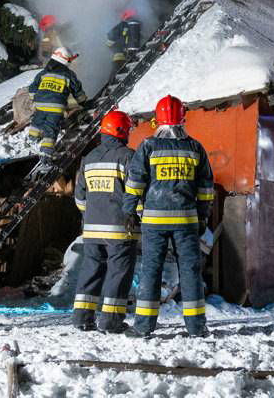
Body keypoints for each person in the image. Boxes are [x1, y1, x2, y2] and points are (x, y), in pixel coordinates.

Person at [123, 95, 214, 338]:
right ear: (182, 119)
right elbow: (206, 187)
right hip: (186, 222)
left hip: (154, 222)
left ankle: (143, 327)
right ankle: (197, 327)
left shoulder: (148, 146)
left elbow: (135, 182)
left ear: (158, 120)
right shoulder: (195, 148)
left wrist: (129, 210)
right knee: (190, 271)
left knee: (151, 271)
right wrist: (203, 216)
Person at [72, 110, 138, 333]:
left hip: (91, 229)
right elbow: (135, 193)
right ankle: (110, 322)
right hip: (119, 228)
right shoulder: (128, 157)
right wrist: (139, 216)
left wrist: (90, 215)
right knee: (118, 273)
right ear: (123, 131)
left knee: (91, 270)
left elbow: (80, 197)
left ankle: (82, 318)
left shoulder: (88, 159)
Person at [28, 47, 88, 158]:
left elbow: (32, 88)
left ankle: (31, 139)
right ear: (66, 61)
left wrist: (34, 99)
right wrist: (83, 102)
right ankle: (46, 149)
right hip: (56, 107)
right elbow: (77, 90)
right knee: (51, 127)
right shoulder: (69, 75)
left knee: (37, 121)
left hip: (40, 104)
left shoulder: (43, 73)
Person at [106, 10, 142, 80]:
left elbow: (109, 39)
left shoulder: (121, 25)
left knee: (114, 77)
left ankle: (110, 88)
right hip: (133, 54)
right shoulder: (137, 26)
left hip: (119, 57)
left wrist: (116, 48)